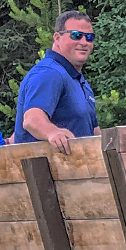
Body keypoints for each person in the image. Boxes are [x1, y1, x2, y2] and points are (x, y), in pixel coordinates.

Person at [15, 10, 99, 154]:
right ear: (57, 38)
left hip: (81, 170)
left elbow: (95, 132)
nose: (84, 42)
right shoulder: (49, 72)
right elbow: (32, 119)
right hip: (44, 173)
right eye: (76, 35)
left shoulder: (78, 79)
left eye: (89, 37)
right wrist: (53, 133)